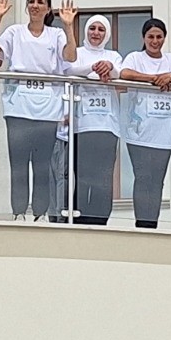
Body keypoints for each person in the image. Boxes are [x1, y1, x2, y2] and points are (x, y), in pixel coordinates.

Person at [0, 0, 78, 221]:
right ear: (27, 7)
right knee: (18, 163)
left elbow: (70, 56)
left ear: (47, 9)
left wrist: (68, 26)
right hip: (18, 107)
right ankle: (18, 213)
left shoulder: (56, 34)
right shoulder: (15, 32)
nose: (35, 5)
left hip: (47, 109)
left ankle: (40, 213)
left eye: (40, 2)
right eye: (31, 2)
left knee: (42, 165)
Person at [119, 18, 171, 229]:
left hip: (163, 133)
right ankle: (142, 224)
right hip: (139, 132)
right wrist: (153, 78)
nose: (155, 41)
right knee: (142, 178)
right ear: (144, 38)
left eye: (159, 37)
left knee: (157, 181)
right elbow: (125, 73)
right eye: (151, 36)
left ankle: (153, 224)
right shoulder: (135, 57)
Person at [62, 14, 122, 225]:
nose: (96, 33)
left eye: (101, 29)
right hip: (82, 126)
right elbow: (69, 70)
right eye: (92, 28)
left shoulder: (113, 56)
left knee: (104, 178)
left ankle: (99, 222)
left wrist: (108, 66)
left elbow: (119, 74)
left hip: (108, 127)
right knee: (82, 176)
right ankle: (78, 220)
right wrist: (94, 68)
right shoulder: (77, 53)